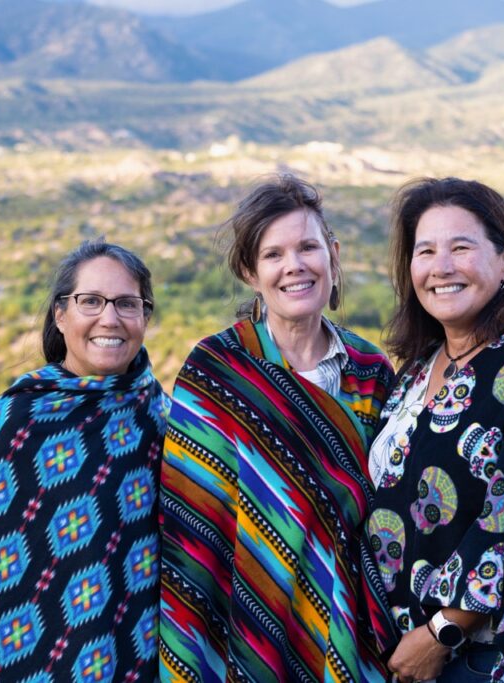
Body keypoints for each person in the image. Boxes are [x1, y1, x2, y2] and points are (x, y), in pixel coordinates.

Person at [158, 175, 397, 682]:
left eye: (308, 247)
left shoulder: (370, 371)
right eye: (273, 254)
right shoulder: (217, 371)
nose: (295, 266)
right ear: (250, 271)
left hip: (354, 620)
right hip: (247, 615)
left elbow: (387, 512)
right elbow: (194, 519)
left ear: (332, 254)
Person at [0, 239, 170, 683]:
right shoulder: (21, 416)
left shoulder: (162, 421)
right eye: (91, 301)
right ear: (60, 315)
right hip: (17, 662)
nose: (110, 317)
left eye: (127, 303)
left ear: (145, 317)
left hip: (125, 655)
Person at [369, 178, 504, 683]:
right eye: (425, 251)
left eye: (461, 248)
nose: (441, 267)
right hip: (400, 654)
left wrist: (443, 631)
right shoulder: (418, 370)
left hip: (480, 661)